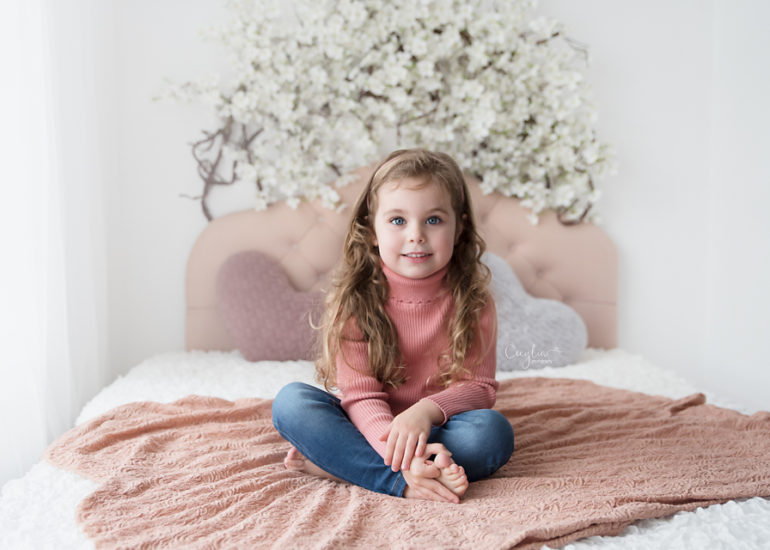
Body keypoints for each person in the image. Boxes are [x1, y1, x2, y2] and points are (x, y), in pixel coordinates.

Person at [272, 148, 514, 503]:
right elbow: (361, 397)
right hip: (367, 424)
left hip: (438, 427)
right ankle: (404, 480)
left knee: (491, 434)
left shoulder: (473, 300)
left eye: (433, 220)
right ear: (372, 230)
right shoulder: (357, 301)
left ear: (459, 227)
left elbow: (478, 387)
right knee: (291, 403)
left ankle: (343, 465)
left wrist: (424, 412)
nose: (416, 235)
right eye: (398, 221)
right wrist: (401, 456)